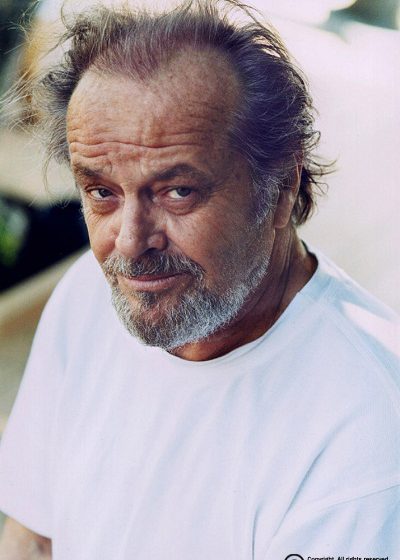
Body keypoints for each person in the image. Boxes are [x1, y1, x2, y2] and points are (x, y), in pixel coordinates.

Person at [0, 1, 399, 558]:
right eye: (102, 192)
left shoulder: (369, 426)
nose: (130, 243)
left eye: (178, 191)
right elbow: (33, 535)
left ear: (282, 187)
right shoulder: (86, 295)